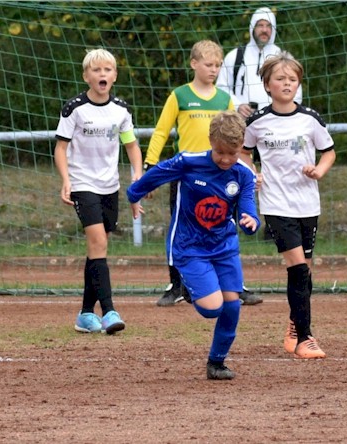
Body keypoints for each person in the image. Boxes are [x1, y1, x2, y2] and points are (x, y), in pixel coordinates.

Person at [127, 111, 260, 380]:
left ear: (241, 146)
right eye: (220, 151)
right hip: (189, 246)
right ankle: (187, 286)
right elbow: (156, 175)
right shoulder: (188, 162)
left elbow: (247, 208)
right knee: (212, 309)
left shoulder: (243, 174)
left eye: (232, 153)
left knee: (232, 305)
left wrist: (250, 221)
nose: (225, 159)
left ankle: (216, 363)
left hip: (224, 246)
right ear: (211, 141)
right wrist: (134, 195)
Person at [144, 39, 262, 307]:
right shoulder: (180, 96)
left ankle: (235, 286)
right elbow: (161, 131)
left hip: (222, 176)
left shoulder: (225, 99)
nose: (214, 70)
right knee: (179, 227)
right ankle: (176, 284)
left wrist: (250, 168)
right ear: (194, 64)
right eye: (208, 64)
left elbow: (237, 138)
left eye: (218, 65)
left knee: (226, 227)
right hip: (187, 176)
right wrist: (150, 166)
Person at [242, 51, 335, 359]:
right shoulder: (257, 122)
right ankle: (305, 338)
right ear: (267, 85)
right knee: (297, 267)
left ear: (299, 84)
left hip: (308, 204)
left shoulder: (310, 119)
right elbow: (244, 153)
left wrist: (318, 171)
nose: (286, 84)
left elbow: (329, 152)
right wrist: (251, 173)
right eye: (280, 79)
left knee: (306, 269)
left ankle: (295, 324)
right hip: (276, 205)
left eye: (292, 79)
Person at [54, 48, 143, 335]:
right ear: (86, 76)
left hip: (110, 186)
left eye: (107, 70)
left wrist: (137, 180)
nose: (102, 74)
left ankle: (83, 314)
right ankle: (109, 311)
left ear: (114, 76)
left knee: (97, 249)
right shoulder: (74, 109)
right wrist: (66, 180)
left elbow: (131, 145)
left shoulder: (121, 110)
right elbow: (61, 147)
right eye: (96, 70)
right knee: (98, 245)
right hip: (83, 184)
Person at [217, 6, 302, 119]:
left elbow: (296, 91)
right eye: (260, 25)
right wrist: (237, 106)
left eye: (268, 26)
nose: (264, 30)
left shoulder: (284, 58)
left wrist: (283, 114)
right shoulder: (235, 56)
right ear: (252, 27)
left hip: (275, 121)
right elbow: (221, 88)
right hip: (241, 122)